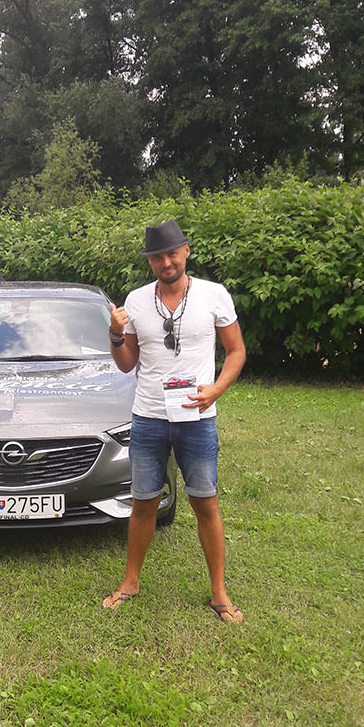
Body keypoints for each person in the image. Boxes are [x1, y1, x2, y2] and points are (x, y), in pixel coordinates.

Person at [104, 219, 246, 622]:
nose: (166, 262)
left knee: (205, 502)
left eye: (171, 253)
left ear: (186, 251)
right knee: (143, 502)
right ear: (150, 261)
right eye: (157, 257)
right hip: (148, 416)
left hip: (196, 418)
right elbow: (126, 363)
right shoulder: (135, 301)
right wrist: (115, 335)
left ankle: (219, 593)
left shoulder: (214, 295)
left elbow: (236, 351)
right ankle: (130, 583)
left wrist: (216, 390)